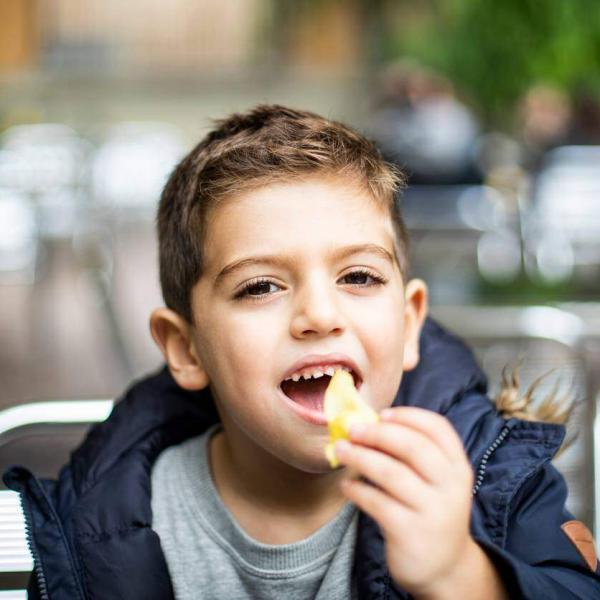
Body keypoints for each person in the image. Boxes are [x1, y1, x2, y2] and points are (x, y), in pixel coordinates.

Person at [4, 105, 599, 599]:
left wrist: (463, 576)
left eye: (359, 277)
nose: (319, 315)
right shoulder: (92, 525)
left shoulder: (490, 479)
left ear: (410, 322)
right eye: (260, 286)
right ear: (186, 350)